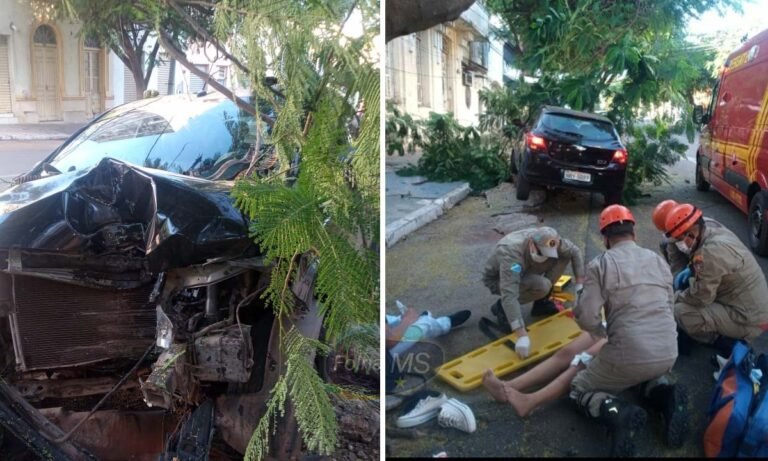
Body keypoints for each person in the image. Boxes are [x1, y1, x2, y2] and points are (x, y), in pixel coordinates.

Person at [483, 205, 687, 457]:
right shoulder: (657, 260)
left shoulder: (602, 264)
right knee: (580, 353)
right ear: (633, 233)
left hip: (629, 349)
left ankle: (617, 413)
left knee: (579, 380)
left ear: (605, 238)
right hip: (667, 350)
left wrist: (600, 329)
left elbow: (586, 317)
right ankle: (663, 394)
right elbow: (669, 304)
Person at [664, 203, 768, 352]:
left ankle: (722, 342)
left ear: (692, 232)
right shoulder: (712, 230)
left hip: (748, 320)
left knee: (680, 312)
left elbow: (701, 298)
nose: (680, 244)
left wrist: (676, 297)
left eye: (680, 239)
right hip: (748, 307)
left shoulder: (710, 253)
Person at [482, 226, 584, 359]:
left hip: (528, 268)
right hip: (500, 278)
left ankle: (541, 302)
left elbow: (574, 251)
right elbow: (509, 294)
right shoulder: (512, 255)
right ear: (533, 245)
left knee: (564, 256)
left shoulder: (554, 241)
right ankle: (501, 307)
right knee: (542, 286)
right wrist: (521, 335)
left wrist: (580, 289)